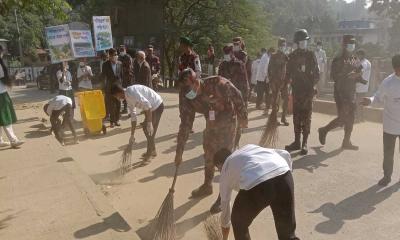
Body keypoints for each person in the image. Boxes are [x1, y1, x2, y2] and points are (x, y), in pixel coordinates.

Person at [174, 68, 248, 209]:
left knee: (224, 160)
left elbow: (237, 95)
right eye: (184, 89)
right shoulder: (187, 96)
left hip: (228, 123)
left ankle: (223, 197)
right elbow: (185, 124)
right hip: (212, 124)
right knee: (208, 154)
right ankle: (207, 186)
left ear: (196, 82)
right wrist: (179, 152)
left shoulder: (218, 84)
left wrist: (243, 118)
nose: (186, 92)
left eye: (189, 87)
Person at [214, 144, 300, 240]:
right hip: (284, 174)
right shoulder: (249, 148)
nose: (220, 172)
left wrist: (224, 237)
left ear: (221, 164)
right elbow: (285, 154)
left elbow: (225, 203)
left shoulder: (226, 168)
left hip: (258, 183)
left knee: (239, 222)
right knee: (287, 233)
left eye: (219, 169)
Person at [318, 35, 367, 150]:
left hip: (351, 91)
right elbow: (334, 76)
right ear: (344, 45)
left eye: (353, 44)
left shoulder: (354, 58)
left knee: (351, 117)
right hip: (341, 92)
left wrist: (360, 78)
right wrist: (347, 76)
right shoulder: (338, 58)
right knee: (343, 118)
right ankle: (324, 130)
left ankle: (346, 141)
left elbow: (359, 71)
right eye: (349, 44)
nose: (352, 46)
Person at [361, 54, 400, 186]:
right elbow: (377, 98)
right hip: (390, 125)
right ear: (396, 68)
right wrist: (369, 100)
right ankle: (387, 176)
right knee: (388, 153)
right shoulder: (388, 83)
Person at [285, 29, 319, 155]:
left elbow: (316, 73)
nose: (305, 43)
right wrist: (285, 86)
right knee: (296, 117)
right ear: (297, 42)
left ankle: (304, 143)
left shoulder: (311, 55)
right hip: (296, 91)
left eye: (306, 41)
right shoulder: (292, 56)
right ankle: (296, 141)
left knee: (306, 117)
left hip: (308, 92)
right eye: (302, 41)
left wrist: (313, 85)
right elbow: (287, 74)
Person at [111, 84, 164, 164]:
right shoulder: (128, 98)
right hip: (150, 108)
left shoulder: (132, 92)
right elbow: (133, 118)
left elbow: (148, 105)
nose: (117, 98)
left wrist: (149, 123)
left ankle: (149, 155)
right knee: (146, 129)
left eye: (116, 96)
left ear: (119, 92)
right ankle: (152, 151)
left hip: (157, 105)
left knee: (149, 131)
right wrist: (132, 135)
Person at [218, 44, 249, 149]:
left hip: (236, 98)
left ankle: (235, 144)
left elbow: (244, 83)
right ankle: (225, 145)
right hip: (224, 99)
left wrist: (244, 99)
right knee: (224, 122)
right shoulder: (222, 65)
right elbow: (219, 81)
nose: (226, 55)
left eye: (228, 53)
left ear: (232, 53)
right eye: (225, 54)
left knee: (238, 123)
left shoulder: (239, 65)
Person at [0, 45, 24, 148]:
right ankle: (13, 140)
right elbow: (4, 80)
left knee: (2, 118)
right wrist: (15, 77)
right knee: (6, 118)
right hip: (1, 94)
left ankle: (0, 140)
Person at [268, 38, 290, 126]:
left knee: (286, 99)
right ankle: (274, 118)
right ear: (278, 46)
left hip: (284, 82)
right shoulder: (273, 56)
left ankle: (283, 118)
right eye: (281, 45)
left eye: (284, 45)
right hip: (276, 82)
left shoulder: (286, 56)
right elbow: (270, 69)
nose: (283, 47)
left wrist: (288, 80)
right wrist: (272, 81)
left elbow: (288, 70)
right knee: (275, 101)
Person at [101, 48, 123, 128]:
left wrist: (122, 86)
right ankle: (112, 121)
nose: (116, 56)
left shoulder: (120, 63)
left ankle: (117, 120)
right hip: (109, 87)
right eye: (114, 55)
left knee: (118, 104)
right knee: (111, 105)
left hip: (118, 87)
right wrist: (103, 88)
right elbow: (103, 77)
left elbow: (121, 76)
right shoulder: (105, 64)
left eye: (116, 54)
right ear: (110, 56)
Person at [355, 49, 371, 121]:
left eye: (358, 55)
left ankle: (359, 118)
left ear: (362, 55)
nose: (357, 56)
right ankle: (361, 118)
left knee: (359, 102)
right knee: (360, 102)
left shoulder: (364, 63)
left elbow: (359, 71)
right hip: (362, 85)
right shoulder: (365, 62)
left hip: (361, 85)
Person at [118, 45, 134, 113]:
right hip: (121, 78)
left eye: (122, 50)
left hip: (127, 78)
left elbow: (129, 68)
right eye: (120, 50)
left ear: (125, 50)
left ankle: (128, 108)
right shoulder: (119, 57)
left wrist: (122, 67)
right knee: (122, 93)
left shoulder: (128, 57)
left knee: (128, 93)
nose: (121, 51)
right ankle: (124, 108)